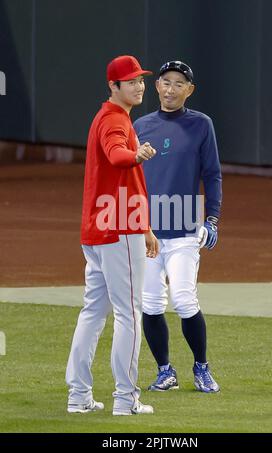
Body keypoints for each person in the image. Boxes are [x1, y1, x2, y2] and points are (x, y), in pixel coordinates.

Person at [66, 55, 159, 416]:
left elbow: (121, 175)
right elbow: (118, 155)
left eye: (140, 80)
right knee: (129, 314)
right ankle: (125, 399)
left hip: (101, 229)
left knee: (93, 312)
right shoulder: (113, 120)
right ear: (113, 86)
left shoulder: (111, 117)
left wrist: (146, 227)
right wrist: (135, 154)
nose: (138, 85)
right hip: (119, 229)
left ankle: (79, 396)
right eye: (130, 80)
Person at [134, 60, 222, 393]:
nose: (171, 89)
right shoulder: (139, 125)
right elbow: (129, 177)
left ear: (190, 90)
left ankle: (201, 367)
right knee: (152, 303)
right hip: (146, 230)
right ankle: (165, 371)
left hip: (184, 227)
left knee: (184, 299)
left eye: (179, 84)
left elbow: (212, 174)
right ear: (157, 86)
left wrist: (212, 218)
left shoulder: (201, 125)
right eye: (166, 82)